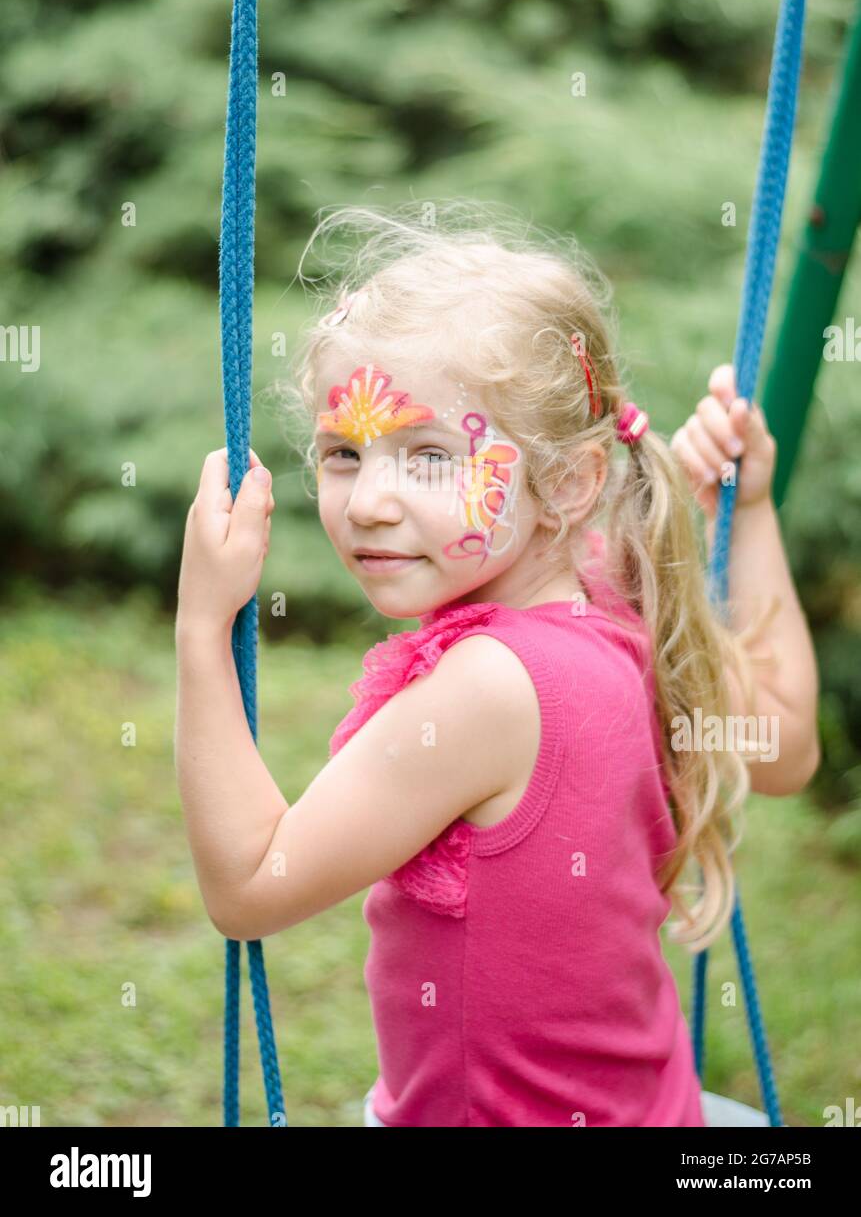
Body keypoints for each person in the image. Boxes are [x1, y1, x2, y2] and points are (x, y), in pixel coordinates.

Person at [175, 203, 820, 1127]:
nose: (368, 504)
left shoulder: (487, 690)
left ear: (567, 482)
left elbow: (249, 887)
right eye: (344, 454)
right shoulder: (627, 609)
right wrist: (748, 514)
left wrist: (202, 629)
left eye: (432, 456)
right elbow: (788, 744)